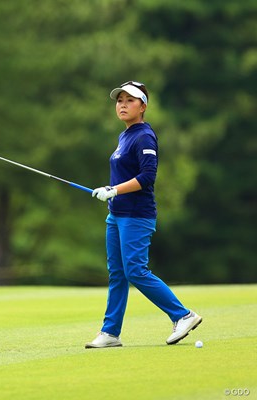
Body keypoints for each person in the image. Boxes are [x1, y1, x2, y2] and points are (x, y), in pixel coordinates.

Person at [85, 81, 202, 348]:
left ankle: (183, 315)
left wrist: (114, 190)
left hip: (136, 215)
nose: (123, 104)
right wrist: (111, 193)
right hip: (116, 215)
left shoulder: (144, 136)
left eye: (130, 100)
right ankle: (110, 333)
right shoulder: (124, 136)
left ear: (143, 106)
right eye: (119, 100)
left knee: (135, 270)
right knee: (117, 273)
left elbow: (147, 177)